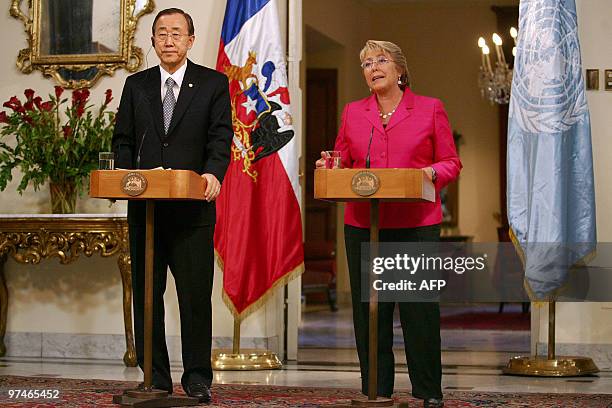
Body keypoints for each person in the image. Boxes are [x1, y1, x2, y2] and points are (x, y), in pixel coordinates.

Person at [316, 40, 462, 408]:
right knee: (371, 311)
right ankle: (376, 390)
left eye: (381, 60)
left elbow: (451, 162)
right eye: (366, 63)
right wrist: (328, 170)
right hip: (365, 225)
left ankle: (428, 392)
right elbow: (343, 162)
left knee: (418, 311)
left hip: (414, 225)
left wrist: (429, 172)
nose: (373, 67)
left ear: (400, 69)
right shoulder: (353, 113)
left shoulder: (429, 109)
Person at [112, 8, 232, 403]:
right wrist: (126, 175)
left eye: (176, 33)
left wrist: (213, 173)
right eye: (161, 33)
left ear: (190, 40)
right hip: (145, 212)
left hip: (193, 210)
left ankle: (197, 378)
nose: (168, 39)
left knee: (195, 298)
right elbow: (123, 141)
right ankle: (155, 377)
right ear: (152, 41)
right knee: (147, 296)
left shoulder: (213, 84)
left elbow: (220, 137)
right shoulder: (137, 85)